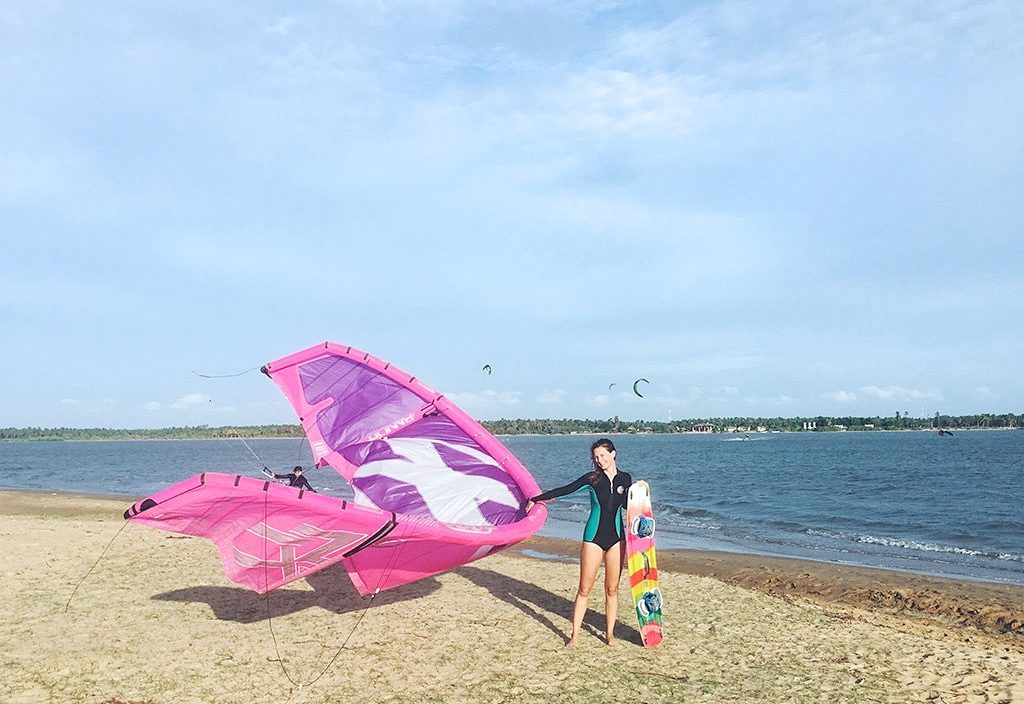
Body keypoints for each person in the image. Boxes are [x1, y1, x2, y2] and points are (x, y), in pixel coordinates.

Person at [525, 438, 632, 646]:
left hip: (617, 539)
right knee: (584, 588)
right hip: (593, 539)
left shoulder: (625, 478)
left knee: (612, 589)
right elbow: (566, 490)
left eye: (603, 455)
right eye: (596, 457)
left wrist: (640, 495)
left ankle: (610, 635)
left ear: (613, 454)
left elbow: (628, 505)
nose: (599, 460)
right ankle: (574, 636)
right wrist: (537, 499)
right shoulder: (592, 479)